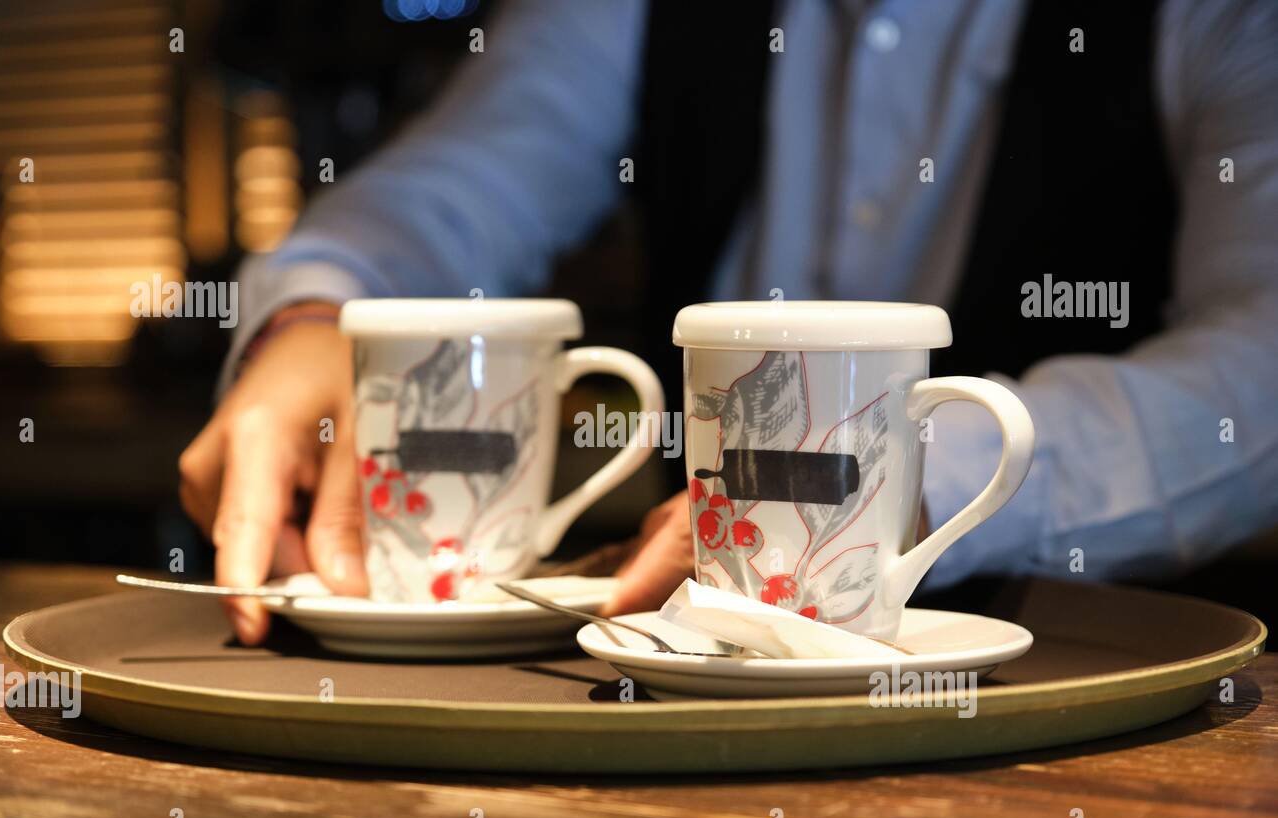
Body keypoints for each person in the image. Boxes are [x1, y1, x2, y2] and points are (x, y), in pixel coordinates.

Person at [179, 0, 1278, 645]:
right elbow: (460, 178)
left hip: (1106, 691)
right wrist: (315, 310)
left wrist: (931, 464)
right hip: (679, 686)